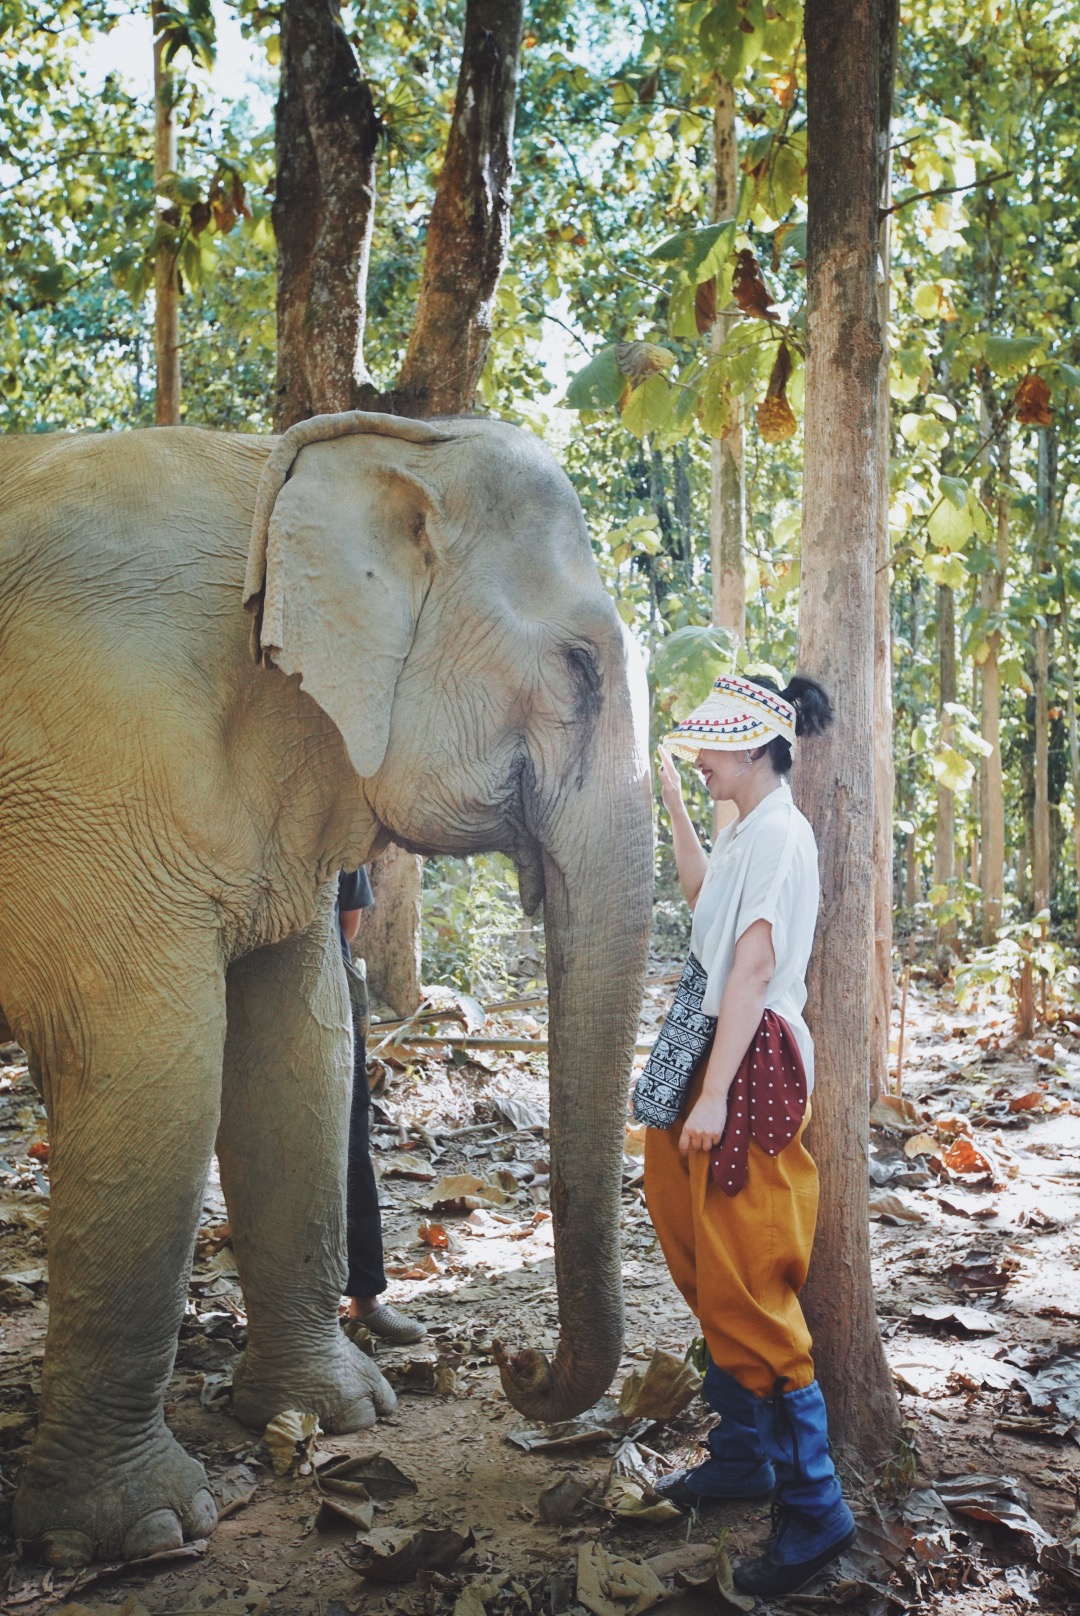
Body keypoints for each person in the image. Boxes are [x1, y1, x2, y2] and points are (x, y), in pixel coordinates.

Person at [633, 671, 855, 1599]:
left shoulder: (784, 834)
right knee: (690, 1241)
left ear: (760, 747)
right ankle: (741, 1456)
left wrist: (716, 1096)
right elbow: (704, 903)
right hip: (699, 1034)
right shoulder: (742, 829)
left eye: (712, 748)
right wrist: (679, 808)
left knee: (748, 1268)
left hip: (746, 1056)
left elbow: (754, 965)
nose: (703, 757)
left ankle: (816, 1510)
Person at [337, 869, 425, 1345]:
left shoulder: (341, 837)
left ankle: (364, 1300)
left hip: (330, 991)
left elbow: (348, 923)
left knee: (351, 1148)